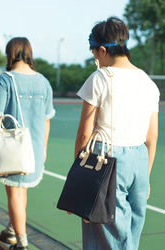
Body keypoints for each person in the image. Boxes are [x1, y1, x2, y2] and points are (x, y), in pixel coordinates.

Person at [74, 17, 160, 249]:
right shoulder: (148, 83)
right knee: (130, 235)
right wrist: (146, 174)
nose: (95, 59)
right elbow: (152, 136)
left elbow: (85, 133)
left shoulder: (100, 78)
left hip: (107, 159)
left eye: (94, 53)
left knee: (107, 238)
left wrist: (79, 176)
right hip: (140, 162)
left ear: (102, 50)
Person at [0, 37, 55, 250]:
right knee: (22, 191)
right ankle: (12, 230)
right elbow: (47, 119)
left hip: (13, 147)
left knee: (14, 192)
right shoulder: (44, 82)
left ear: (10, 54)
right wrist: (44, 148)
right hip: (35, 148)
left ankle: (21, 244)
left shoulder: (5, 80)